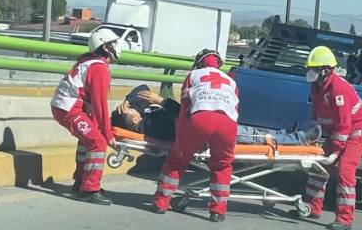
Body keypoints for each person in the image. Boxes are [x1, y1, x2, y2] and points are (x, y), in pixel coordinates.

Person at [151, 49, 239, 222]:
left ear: (199, 62)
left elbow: (185, 106)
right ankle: (218, 211)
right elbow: (235, 108)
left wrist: (183, 137)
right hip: (228, 123)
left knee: (177, 161)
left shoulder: (193, 76)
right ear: (219, 64)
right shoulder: (231, 81)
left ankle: (161, 203)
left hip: (200, 118)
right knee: (222, 166)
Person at [291, 46, 362, 230]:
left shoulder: (339, 89)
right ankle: (311, 208)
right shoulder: (317, 87)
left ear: (325, 69)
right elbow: (316, 114)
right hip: (339, 131)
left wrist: (335, 150)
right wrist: (313, 136)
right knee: (318, 166)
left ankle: (345, 219)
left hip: (356, 132)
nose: (308, 72)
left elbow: (344, 124)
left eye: (312, 68)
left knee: (345, 172)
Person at [111, 84, 321, 145]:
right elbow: (183, 115)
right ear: (134, 120)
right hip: (204, 134)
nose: (134, 107)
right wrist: (162, 101)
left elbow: (142, 87)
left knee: (252, 132)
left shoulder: (145, 116)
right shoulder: (151, 126)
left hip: (205, 126)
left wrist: (128, 100)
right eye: (131, 110)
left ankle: (287, 134)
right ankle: (297, 139)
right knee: (253, 136)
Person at [50, 28, 120, 205]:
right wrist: (108, 133)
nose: (117, 46)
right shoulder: (98, 68)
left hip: (66, 106)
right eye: (113, 43)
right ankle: (89, 189)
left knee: (87, 142)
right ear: (105, 47)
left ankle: (81, 181)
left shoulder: (89, 62)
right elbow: (100, 104)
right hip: (70, 108)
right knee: (98, 142)